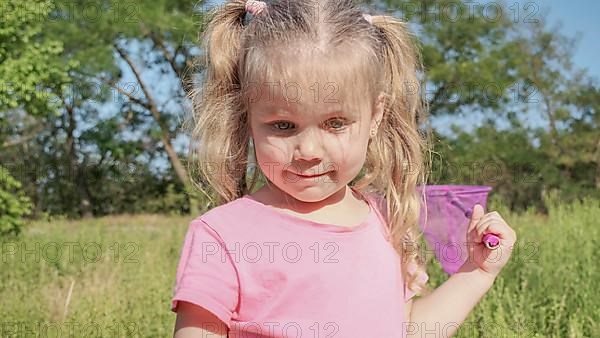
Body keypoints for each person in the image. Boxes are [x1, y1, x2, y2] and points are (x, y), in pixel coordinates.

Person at [171, 0, 518, 337]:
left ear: (375, 115)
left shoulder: (387, 222)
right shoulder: (222, 235)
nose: (308, 151)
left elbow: (407, 329)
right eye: (282, 126)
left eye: (335, 123)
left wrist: (477, 272)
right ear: (248, 118)